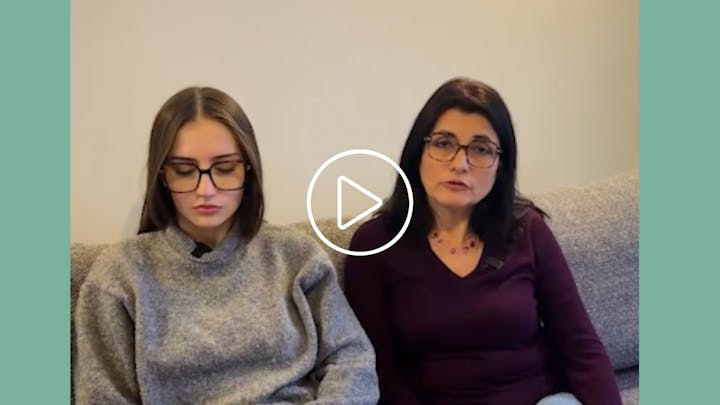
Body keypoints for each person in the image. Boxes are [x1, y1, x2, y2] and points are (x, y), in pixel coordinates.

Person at [74, 86, 379, 404]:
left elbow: (352, 360)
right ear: (162, 176)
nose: (205, 189)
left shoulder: (297, 256)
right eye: (184, 171)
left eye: (224, 168)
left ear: (248, 170)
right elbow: (102, 396)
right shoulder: (119, 276)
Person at [343, 77, 621, 405]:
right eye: (444, 143)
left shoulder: (527, 229)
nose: (460, 164)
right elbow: (379, 372)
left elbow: (581, 346)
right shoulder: (374, 244)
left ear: (501, 166)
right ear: (419, 151)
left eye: (481, 149)